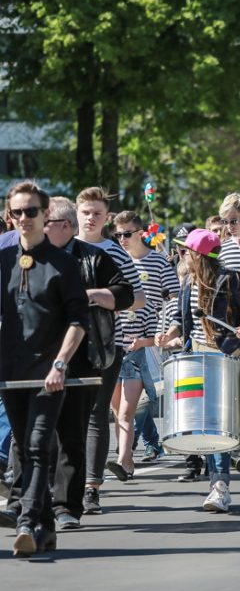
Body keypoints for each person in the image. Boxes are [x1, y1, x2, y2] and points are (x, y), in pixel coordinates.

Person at [1, 181, 89, 557]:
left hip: (49, 373)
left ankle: (27, 520)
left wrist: (60, 363)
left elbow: (78, 320)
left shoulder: (64, 264)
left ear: (45, 215)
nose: (24, 219)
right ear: (9, 217)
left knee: (38, 446)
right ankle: (47, 529)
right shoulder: (2, 261)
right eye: (16, 213)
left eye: (31, 212)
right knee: (23, 444)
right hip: (10, 371)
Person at [36, 198, 134, 530]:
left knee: (73, 433)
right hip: (37, 359)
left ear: (64, 226)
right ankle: (35, 501)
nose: (34, 225)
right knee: (37, 434)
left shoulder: (94, 257)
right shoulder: (28, 257)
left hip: (83, 356)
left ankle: (68, 506)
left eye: (42, 220)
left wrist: (89, 295)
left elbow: (126, 295)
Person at [157, 229, 240, 512]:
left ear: (199, 255)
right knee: (202, 426)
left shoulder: (228, 279)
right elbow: (184, 325)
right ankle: (217, 485)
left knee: (218, 425)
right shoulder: (187, 283)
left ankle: (220, 486)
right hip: (195, 359)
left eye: (187, 251)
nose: (182, 255)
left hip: (222, 358)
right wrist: (169, 338)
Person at [75, 186, 146, 515]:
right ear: (76, 212)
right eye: (86, 212)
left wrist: (106, 300)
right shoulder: (61, 248)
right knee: (63, 415)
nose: (90, 218)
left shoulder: (114, 252)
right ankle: (63, 484)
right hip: (64, 346)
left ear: (106, 218)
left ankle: (91, 487)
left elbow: (139, 298)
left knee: (96, 414)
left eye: (97, 213)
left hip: (106, 345)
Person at [105, 211, 174, 480]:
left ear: (141, 233)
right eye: (117, 234)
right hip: (116, 345)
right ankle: (129, 457)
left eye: (127, 234)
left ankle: (127, 457)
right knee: (119, 411)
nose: (122, 239)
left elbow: (173, 300)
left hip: (146, 346)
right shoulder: (112, 263)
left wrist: (158, 334)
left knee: (130, 409)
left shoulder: (157, 262)